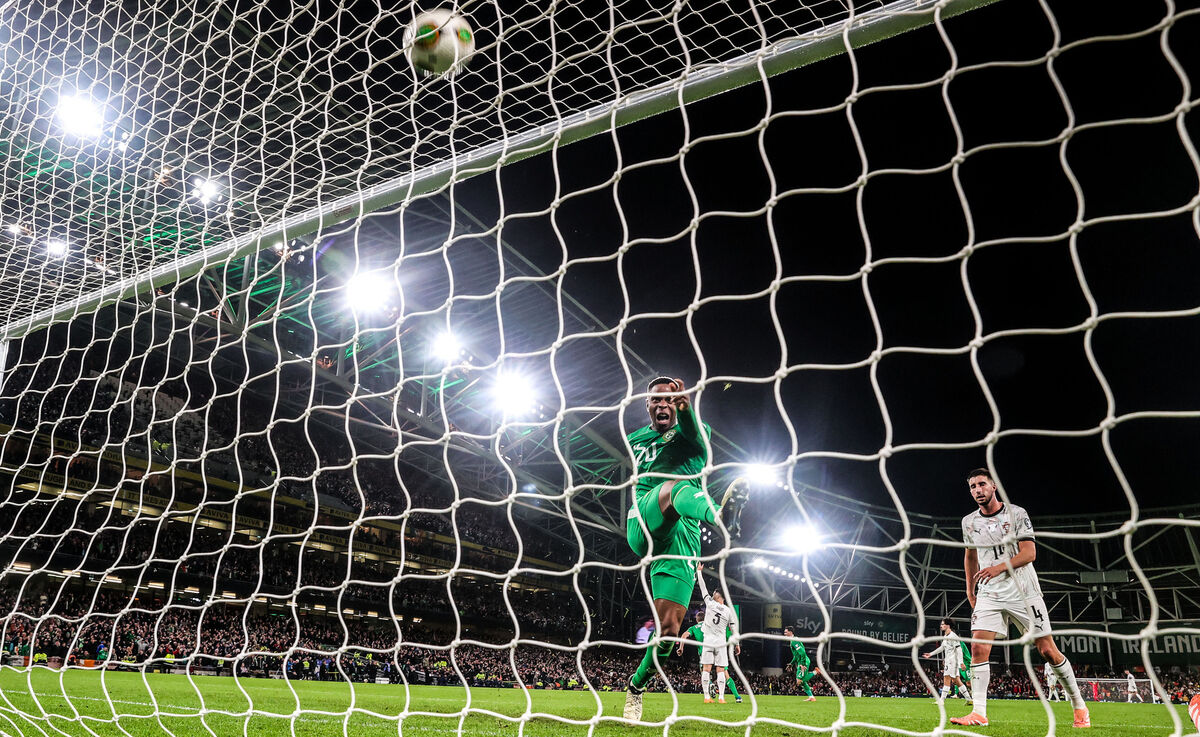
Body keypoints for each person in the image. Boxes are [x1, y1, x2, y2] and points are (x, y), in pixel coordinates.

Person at [622, 377, 750, 721]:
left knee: (668, 631)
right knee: (674, 487)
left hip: (683, 537)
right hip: (645, 517)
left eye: (670, 399)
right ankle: (721, 517)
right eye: (656, 399)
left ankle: (635, 687)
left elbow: (695, 437)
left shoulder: (695, 431)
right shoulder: (635, 439)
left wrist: (687, 410)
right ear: (647, 405)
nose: (662, 404)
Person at [950, 468, 1090, 729]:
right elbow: (970, 555)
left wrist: (998, 567)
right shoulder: (968, 522)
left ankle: (1079, 704)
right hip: (989, 592)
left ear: (993, 486)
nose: (978, 490)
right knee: (978, 648)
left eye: (982, 484)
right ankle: (979, 713)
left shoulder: (1017, 514)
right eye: (972, 487)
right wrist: (970, 589)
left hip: (1023, 591)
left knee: (1047, 651)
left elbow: (1029, 553)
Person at [678, 611, 743, 703]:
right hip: (718, 650)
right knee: (725, 674)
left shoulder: (694, 628)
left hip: (705, 653)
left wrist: (681, 647)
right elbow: (729, 635)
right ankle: (736, 697)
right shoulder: (713, 625)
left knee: (704, 672)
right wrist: (735, 646)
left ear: (697, 619)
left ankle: (710, 685)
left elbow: (684, 635)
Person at [921, 619, 971, 705]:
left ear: (948, 625)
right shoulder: (946, 636)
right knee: (957, 681)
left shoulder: (953, 636)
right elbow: (942, 648)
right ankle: (969, 699)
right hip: (949, 661)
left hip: (952, 662)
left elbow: (959, 650)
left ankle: (942, 700)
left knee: (947, 679)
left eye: (943, 624)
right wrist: (931, 654)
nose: (941, 626)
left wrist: (961, 663)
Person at [783, 626, 819, 701]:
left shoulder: (794, 641)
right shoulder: (793, 640)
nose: (784, 633)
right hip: (802, 661)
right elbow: (796, 655)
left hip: (803, 661)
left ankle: (815, 672)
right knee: (801, 682)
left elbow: (802, 652)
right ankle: (811, 697)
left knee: (799, 681)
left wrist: (802, 664)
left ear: (790, 632)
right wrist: (791, 663)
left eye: (786, 632)